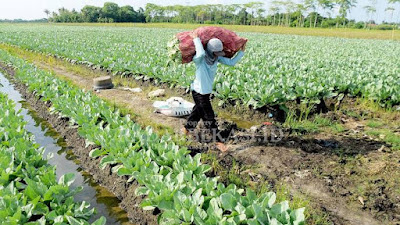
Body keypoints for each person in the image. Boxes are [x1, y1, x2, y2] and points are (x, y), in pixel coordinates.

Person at [182, 32, 245, 152]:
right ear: (210, 51)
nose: (218, 55)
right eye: (216, 52)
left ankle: (186, 129)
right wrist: (196, 39)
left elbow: (231, 62)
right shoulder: (199, 59)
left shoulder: (215, 58)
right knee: (209, 116)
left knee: (197, 112)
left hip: (205, 92)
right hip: (199, 92)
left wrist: (241, 51)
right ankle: (218, 141)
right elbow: (200, 52)